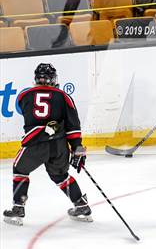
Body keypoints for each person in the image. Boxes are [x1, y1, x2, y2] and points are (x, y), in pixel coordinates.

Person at [3, 63, 92, 226]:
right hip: (59, 145)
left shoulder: (24, 96)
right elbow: (73, 127)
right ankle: (81, 205)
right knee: (60, 176)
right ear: (53, 79)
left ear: (37, 78)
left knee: (20, 169)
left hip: (35, 143)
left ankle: (18, 208)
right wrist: (78, 149)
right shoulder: (64, 96)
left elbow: (27, 113)